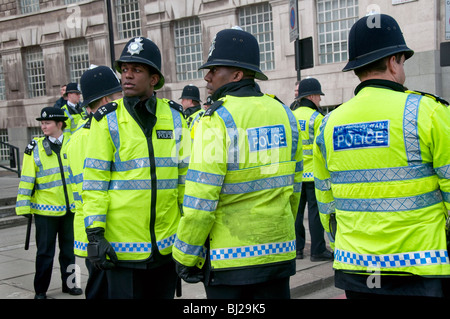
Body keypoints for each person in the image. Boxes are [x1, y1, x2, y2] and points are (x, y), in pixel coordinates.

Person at [313, 13, 450, 299]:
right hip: (419, 267)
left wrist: (339, 239)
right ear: (393, 62)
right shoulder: (429, 112)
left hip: (356, 268)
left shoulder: (329, 124)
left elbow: (325, 200)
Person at [173, 27, 303, 299]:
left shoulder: (215, 120)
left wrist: (185, 254)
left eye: (214, 69)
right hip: (278, 257)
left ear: (237, 74)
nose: (207, 77)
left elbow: (201, 199)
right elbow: (294, 187)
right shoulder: (284, 114)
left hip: (230, 262)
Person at [81, 36, 190, 299]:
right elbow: (94, 182)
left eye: (136, 70)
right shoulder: (106, 119)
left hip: (165, 247)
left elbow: (185, 179)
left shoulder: (175, 117)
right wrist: (95, 233)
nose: (127, 76)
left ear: (154, 79)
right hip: (122, 249)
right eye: (124, 70)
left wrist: (190, 233)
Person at [67, 65, 123, 299]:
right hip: (98, 234)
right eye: (118, 96)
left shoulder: (99, 130)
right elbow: (91, 192)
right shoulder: (85, 137)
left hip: (108, 231)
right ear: (105, 101)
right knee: (101, 291)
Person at [15, 107, 82, 299]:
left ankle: (70, 285)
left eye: (47, 123)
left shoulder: (72, 143)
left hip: (71, 209)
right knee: (45, 253)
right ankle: (41, 290)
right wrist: (23, 205)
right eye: (42, 123)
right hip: (46, 211)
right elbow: (27, 178)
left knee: (70, 251)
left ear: (59, 124)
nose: (43, 126)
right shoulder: (34, 148)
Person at [292, 77, 333, 262]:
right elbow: (323, 147)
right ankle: (317, 250)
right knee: (315, 213)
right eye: (319, 96)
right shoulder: (317, 118)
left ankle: (297, 249)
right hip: (314, 174)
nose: (320, 100)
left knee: (296, 213)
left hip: (296, 174)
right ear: (313, 96)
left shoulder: (290, 116)